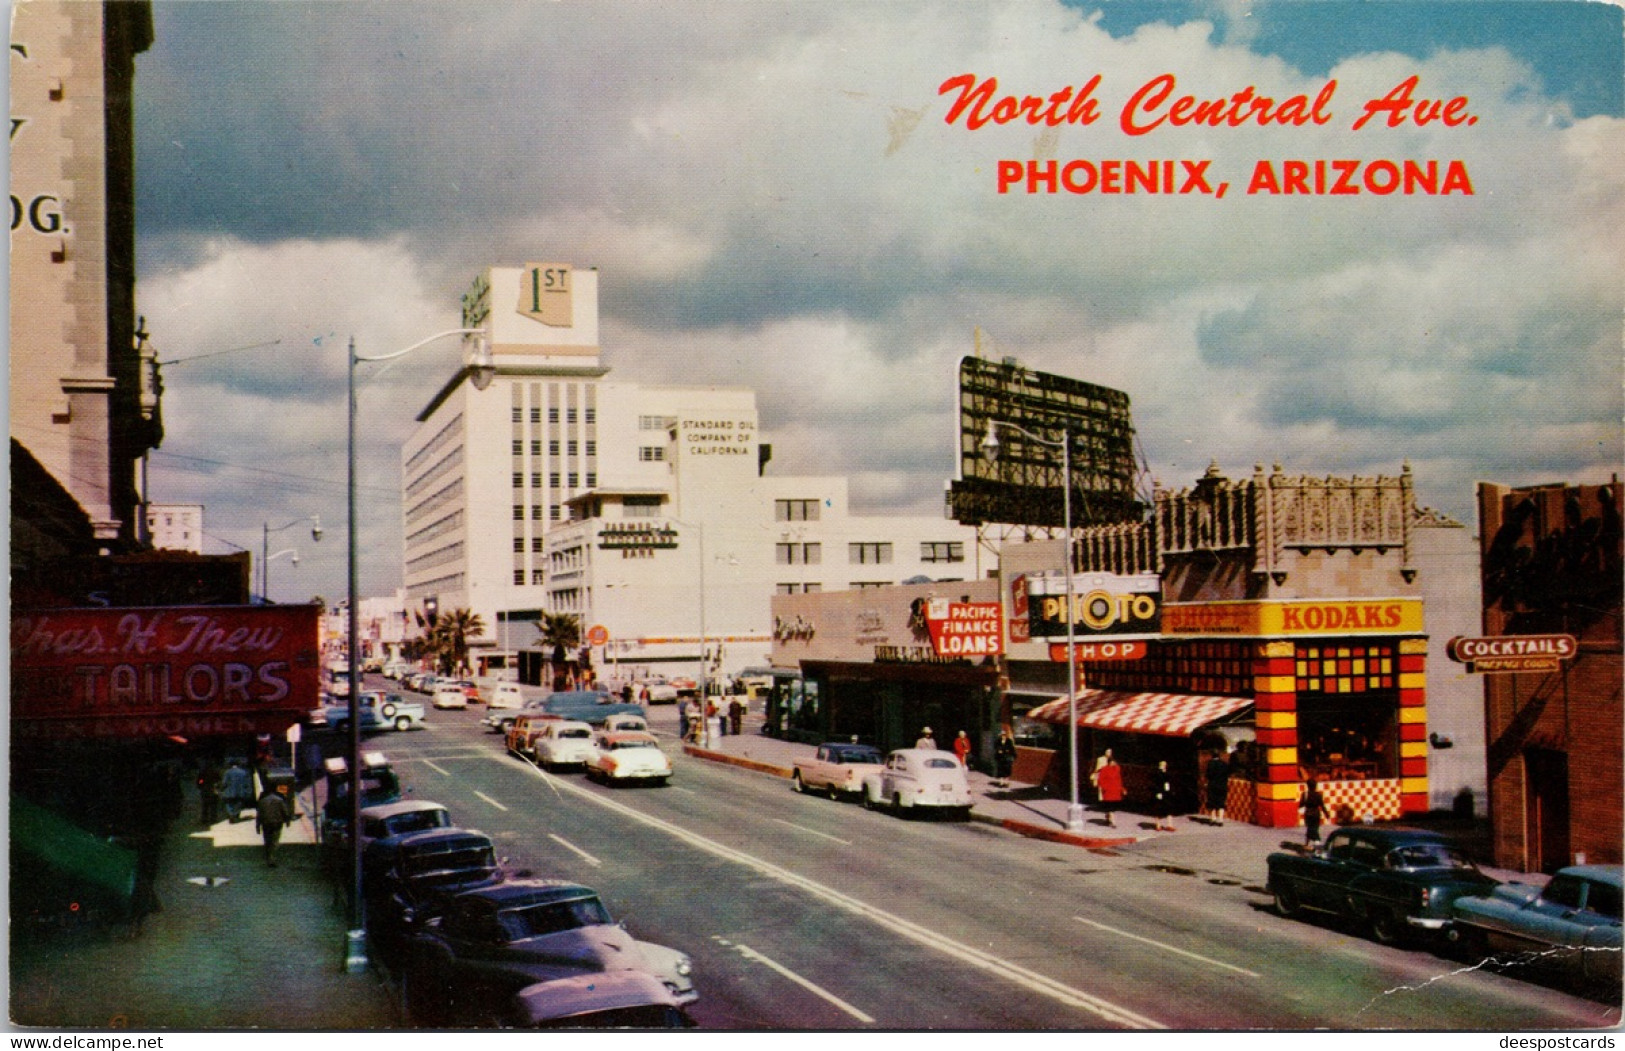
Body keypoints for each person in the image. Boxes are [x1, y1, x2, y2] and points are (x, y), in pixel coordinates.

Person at [254, 787, 290, 867]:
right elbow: (285, 811)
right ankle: (272, 858)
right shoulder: (279, 800)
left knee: (267, 840)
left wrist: (257, 826)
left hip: (266, 823)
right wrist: (287, 821)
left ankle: (269, 857)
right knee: (275, 840)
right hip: (277, 822)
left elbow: (259, 815)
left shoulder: (262, 801)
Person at [1095, 752, 1124, 827]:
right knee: (1110, 806)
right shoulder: (1104, 770)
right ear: (1109, 762)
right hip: (1108, 791)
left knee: (1112, 807)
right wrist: (1104, 787)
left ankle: (1108, 818)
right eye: (1112, 762)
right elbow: (1100, 780)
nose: (1114, 763)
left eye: (1115, 762)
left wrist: (1122, 788)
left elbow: (1119, 780)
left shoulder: (1117, 769)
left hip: (1115, 791)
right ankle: (1113, 822)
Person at [1300, 778, 1330, 847]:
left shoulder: (1305, 794)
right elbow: (1322, 805)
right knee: (1315, 828)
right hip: (1316, 813)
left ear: (1307, 786)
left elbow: (1301, 805)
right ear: (1315, 786)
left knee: (1309, 828)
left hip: (1308, 813)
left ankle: (1307, 843)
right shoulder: (1318, 795)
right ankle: (1317, 842)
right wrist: (1326, 814)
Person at [1204, 750, 1230, 826]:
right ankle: (1220, 819)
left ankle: (1213, 818)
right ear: (1219, 756)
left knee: (1212, 801)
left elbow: (1208, 775)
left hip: (1212, 785)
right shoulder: (1224, 764)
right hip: (1222, 785)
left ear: (1212, 756)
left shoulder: (1210, 764)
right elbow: (1227, 774)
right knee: (1221, 801)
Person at [1153, 760, 1176, 832]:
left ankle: (1170, 825)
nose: (1163, 766)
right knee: (1159, 809)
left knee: (1169, 808)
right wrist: (1158, 793)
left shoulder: (1167, 773)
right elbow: (1156, 784)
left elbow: (1169, 782)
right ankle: (1158, 825)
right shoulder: (1157, 773)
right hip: (1160, 792)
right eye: (1162, 765)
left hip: (1167, 793)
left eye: (1164, 765)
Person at [197, 761, 222, 826]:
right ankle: (213, 819)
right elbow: (219, 780)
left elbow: (199, 781)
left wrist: (201, 785)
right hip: (213, 790)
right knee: (213, 806)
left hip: (205, 790)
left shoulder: (202, 773)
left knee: (205, 806)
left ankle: (204, 819)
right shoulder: (215, 772)